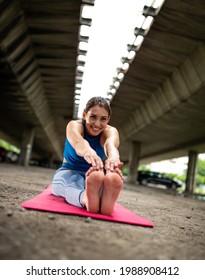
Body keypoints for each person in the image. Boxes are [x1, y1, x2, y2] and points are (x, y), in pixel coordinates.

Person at [51, 96, 123, 215]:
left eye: (103, 119)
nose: (97, 124)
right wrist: (89, 152)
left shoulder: (110, 131)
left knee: (96, 188)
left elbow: (111, 145)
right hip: (69, 171)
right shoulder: (74, 125)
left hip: (94, 175)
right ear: (84, 115)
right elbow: (80, 143)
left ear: (108, 119)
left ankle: (103, 200)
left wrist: (114, 157)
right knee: (70, 185)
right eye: (93, 117)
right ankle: (86, 199)